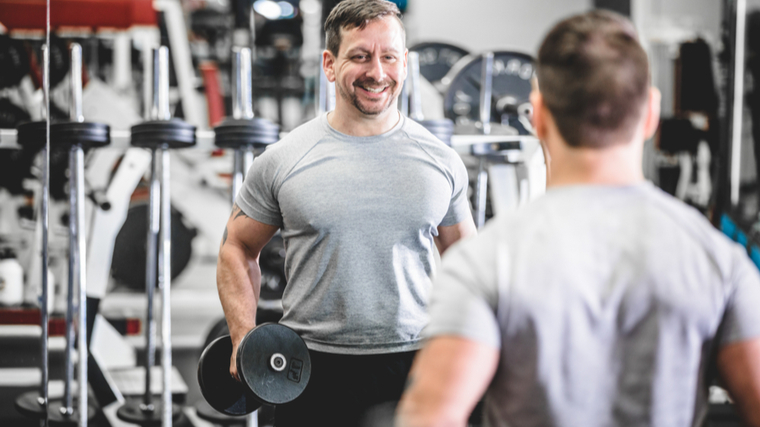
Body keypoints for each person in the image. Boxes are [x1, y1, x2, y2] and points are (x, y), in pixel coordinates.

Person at [397, 10, 760, 427]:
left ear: (539, 115)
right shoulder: (719, 261)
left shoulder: (485, 262)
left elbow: (430, 417)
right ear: (651, 113)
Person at [216, 0, 476, 425]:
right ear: (330, 64)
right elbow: (236, 248)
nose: (377, 72)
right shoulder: (284, 159)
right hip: (309, 371)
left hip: (414, 366)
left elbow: (466, 261)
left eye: (388, 56)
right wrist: (243, 335)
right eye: (359, 56)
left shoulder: (441, 161)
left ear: (405, 63)